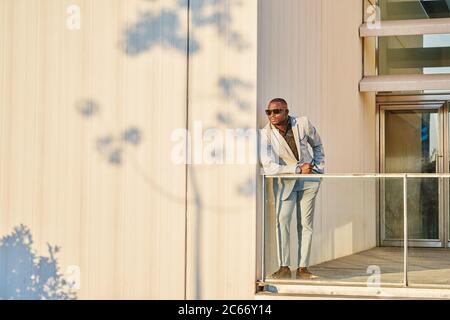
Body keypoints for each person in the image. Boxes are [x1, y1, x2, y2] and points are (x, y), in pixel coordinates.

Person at [260, 98, 325, 280]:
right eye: (269, 112)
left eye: (276, 111)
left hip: (309, 181)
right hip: (285, 182)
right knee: (282, 222)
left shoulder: (302, 123)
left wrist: (318, 169)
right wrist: (297, 169)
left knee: (305, 224)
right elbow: (269, 167)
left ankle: (303, 267)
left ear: (286, 112)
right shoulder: (264, 134)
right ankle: (284, 267)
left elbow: (318, 145)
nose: (272, 115)